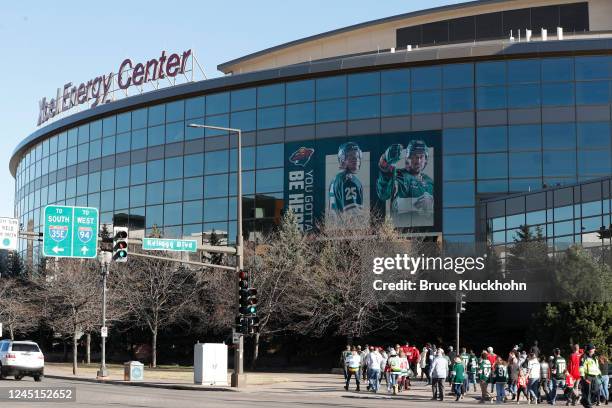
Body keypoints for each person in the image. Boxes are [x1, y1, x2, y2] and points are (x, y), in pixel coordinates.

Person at [376, 140, 434, 227]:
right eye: (414, 156)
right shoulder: (397, 175)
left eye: (421, 156)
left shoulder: (430, 182)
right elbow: (383, 194)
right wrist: (384, 159)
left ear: (425, 159)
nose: (418, 160)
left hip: (426, 233)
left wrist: (431, 202)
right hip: (400, 233)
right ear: (408, 157)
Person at [328, 142, 364, 215]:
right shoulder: (349, 180)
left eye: (357, 155)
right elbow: (353, 215)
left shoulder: (336, 179)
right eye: (350, 156)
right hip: (346, 226)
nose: (356, 159)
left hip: (334, 225)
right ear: (342, 160)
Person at [579, 344, 601, 408]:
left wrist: (600, 374)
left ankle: (584, 400)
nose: (594, 350)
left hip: (595, 376)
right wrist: (582, 377)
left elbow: (596, 367)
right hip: (587, 376)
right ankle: (588, 405)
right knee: (587, 391)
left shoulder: (594, 357)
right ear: (589, 350)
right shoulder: (584, 356)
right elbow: (581, 367)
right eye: (593, 349)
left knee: (596, 390)